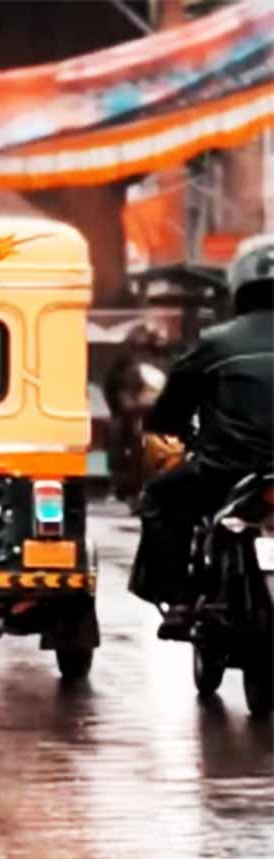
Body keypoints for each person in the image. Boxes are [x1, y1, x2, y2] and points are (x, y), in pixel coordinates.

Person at [129, 233, 274, 622]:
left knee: (161, 497)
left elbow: (170, 409)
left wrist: (167, 426)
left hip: (225, 469)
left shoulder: (215, 341)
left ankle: (175, 597)